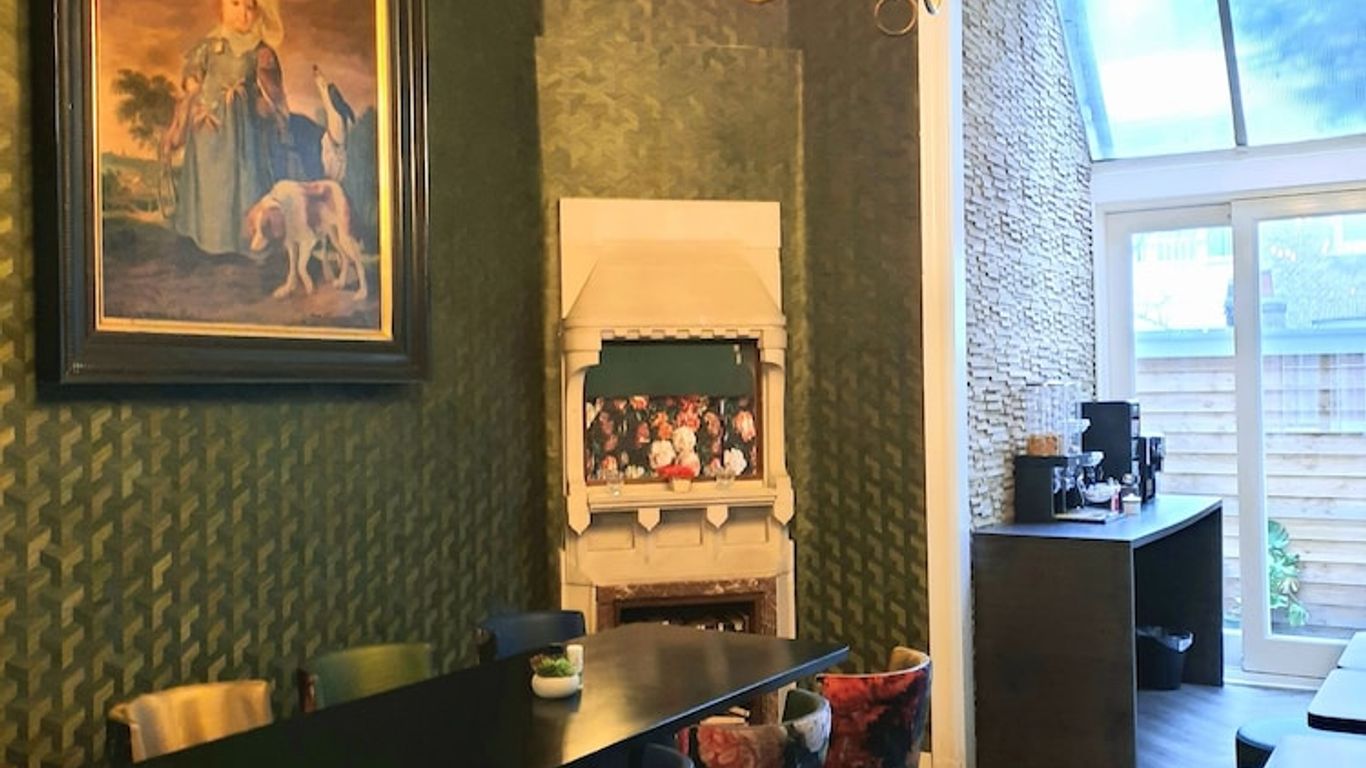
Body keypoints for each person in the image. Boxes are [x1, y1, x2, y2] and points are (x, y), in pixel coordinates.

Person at [161, 0, 290, 256]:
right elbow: (192, 76)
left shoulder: (260, 51)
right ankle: (206, 242)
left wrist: (266, 102)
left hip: (244, 131)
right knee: (210, 184)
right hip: (208, 129)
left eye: (251, 7)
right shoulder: (209, 45)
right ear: (220, 7)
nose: (244, 13)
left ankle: (241, 242)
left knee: (242, 182)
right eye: (236, 4)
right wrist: (192, 87)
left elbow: (272, 93)